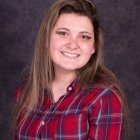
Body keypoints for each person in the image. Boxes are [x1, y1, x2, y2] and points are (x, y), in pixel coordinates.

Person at [12, 0, 130, 139]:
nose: (73, 45)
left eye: (84, 37)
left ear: (94, 47)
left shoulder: (103, 97)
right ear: (46, 38)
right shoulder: (27, 91)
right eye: (63, 33)